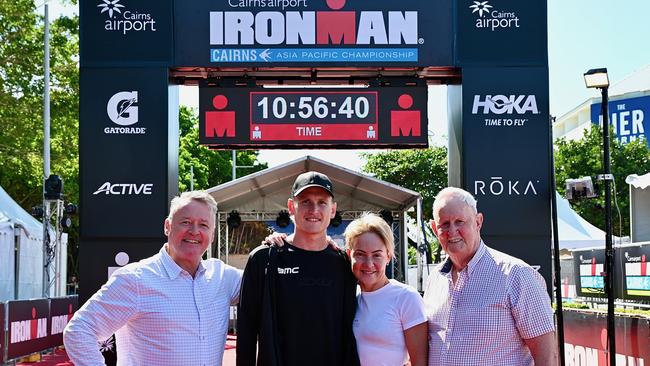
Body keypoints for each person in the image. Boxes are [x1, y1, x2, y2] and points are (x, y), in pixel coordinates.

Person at [63, 191, 242, 366]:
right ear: (168, 226)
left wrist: (270, 248)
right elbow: (79, 330)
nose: (194, 231)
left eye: (203, 225)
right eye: (186, 222)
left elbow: (266, 283)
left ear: (212, 234)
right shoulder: (135, 280)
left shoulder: (223, 277)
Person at [236, 171, 360, 366]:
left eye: (322, 202)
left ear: (333, 210)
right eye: (305, 202)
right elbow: (247, 330)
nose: (314, 209)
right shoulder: (264, 259)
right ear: (291, 207)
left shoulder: (344, 263)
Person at [424, 187, 557, 366]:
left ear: (478, 222)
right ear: (434, 228)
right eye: (445, 224)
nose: (452, 231)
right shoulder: (435, 279)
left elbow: (547, 358)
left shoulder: (516, 275)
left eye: (460, 221)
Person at [345, 213, 428, 366]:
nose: (368, 264)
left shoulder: (406, 297)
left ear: (388, 256)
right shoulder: (349, 298)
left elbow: (420, 362)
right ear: (350, 255)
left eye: (377, 255)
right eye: (360, 254)